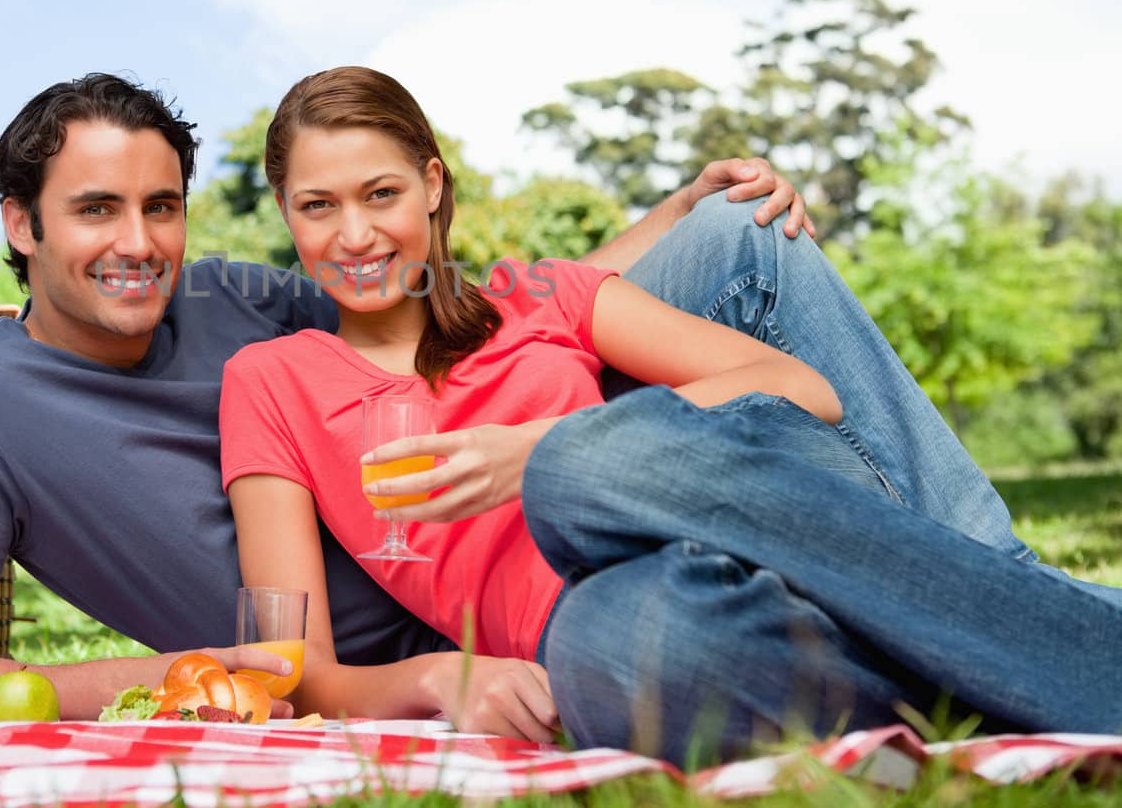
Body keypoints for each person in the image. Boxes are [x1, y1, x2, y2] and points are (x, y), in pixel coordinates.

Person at [219, 65, 1121, 761]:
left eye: (381, 193)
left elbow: (799, 388)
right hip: (616, 616)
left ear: (432, 185)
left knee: (572, 468)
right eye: (317, 206)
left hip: (774, 523)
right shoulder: (271, 379)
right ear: (288, 217)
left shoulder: (535, 295)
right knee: (626, 649)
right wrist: (437, 674)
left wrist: (534, 449)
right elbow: (291, 670)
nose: (357, 235)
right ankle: (995, 677)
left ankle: (1071, 657)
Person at [0, 71, 828, 720]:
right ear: (21, 222)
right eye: (95, 209)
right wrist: (185, 674)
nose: (138, 242)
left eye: (160, 206)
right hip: (365, 665)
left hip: (502, 553)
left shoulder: (231, 298)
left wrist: (673, 219)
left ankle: (948, 551)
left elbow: (452, 316)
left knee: (737, 228)